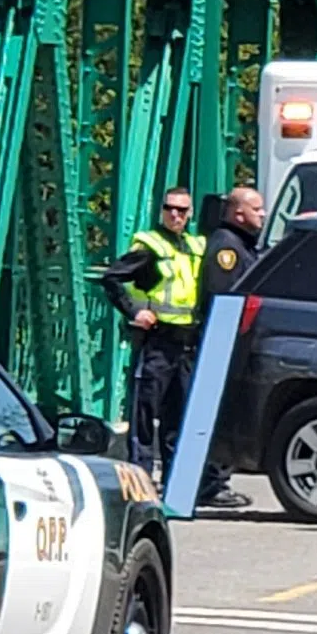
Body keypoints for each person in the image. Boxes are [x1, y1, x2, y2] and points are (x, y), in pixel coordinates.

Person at [95, 188, 207, 481]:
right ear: (162, 210)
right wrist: (134, 312)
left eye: (182, 210)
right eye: (170, 208)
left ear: (190, 213)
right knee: (144, 414)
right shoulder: (150, 246)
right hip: (157, 340)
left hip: (187, 344)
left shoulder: (195, 247)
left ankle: (174, 480)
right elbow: (112, 278)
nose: (175, 215)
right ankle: (140, 478)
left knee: (177, 416)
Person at [183, 186, 267, 510]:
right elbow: (225, 298)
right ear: (238, 213)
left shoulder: (241, 245)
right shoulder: (226, 249)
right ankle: (209, 483)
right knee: (217, 414)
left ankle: (215, 480)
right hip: (221, 345)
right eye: (256, 209)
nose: (262, 214)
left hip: (232, 345)